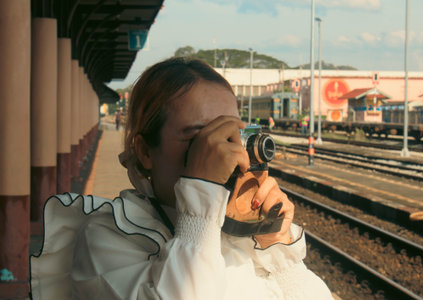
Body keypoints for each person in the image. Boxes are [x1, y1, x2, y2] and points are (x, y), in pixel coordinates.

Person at [30, 57, 333, 299]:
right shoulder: (104, 238)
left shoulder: (239, 232)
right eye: (198, 137)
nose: (221, 153)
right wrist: (203, 200)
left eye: (229, 135)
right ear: (145, 151)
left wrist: (275, 246)